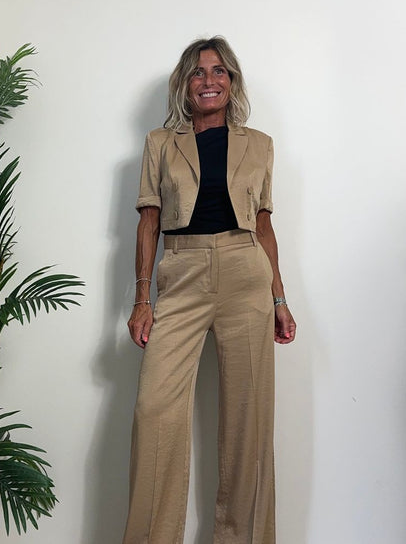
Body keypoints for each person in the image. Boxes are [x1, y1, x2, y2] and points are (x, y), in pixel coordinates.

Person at [123, 37, 296, 544]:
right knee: (154, 410)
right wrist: (142, 300)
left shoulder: (259, 144)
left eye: (219, 71)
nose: (209, 80)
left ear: (232, 82)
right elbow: (148, 223)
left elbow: (264, 227)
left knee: (249, 420)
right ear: (185, 85)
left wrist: (280, 299)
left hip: (247, 273)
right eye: (198, 73)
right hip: (181, 272)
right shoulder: (161, 142)